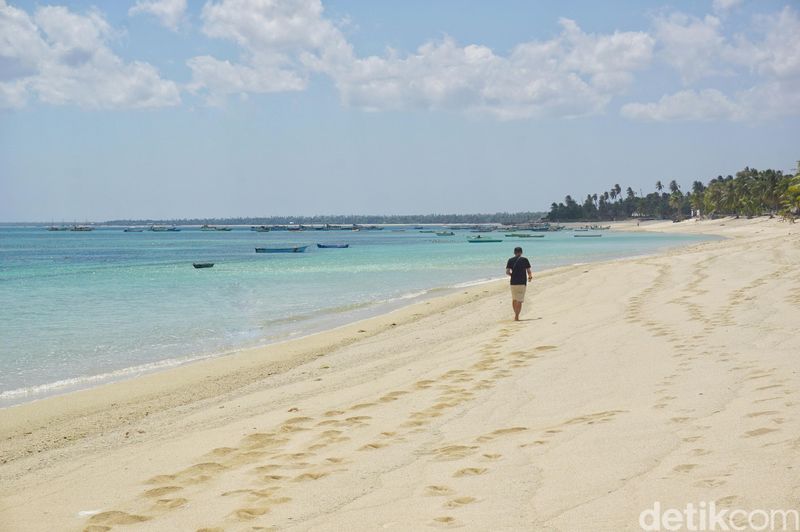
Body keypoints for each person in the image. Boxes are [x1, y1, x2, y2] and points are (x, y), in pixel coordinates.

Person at [505, 246, 533, 321]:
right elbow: (528, 271)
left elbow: (507, 272)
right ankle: (517, 315)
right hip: (522, 282)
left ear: (514, 252)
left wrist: (513, 275)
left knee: (514, 299)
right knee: (519, 300)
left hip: (513, 282)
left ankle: (515, 314)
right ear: (521, 252)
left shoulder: (510, 260)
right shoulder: (525, 260)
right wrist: (530, 277)